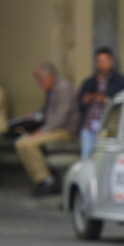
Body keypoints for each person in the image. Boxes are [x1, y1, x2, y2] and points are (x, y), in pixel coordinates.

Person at [15, 63, 80, 196]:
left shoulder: (64, 87)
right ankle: (40, 179)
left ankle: (47, 180)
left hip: (65, 130)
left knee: (28, 143)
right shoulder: (52, 89)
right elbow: (48, 111)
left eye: (40, 79)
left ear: (50, 77)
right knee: (20, 143)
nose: (38, 84)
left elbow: (61, 116)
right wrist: (34, 115)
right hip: (53, 128)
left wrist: (42, 131)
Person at [77, 47, 124, 158]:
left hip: (108, 127)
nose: (101, 65)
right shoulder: (89, 82)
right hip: (89, 126)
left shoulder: (120, 81)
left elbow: (123, 102)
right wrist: (85, 101)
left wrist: (105, 99)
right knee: (86, 156)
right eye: (99, 62)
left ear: (111, 62)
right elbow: (79, 104)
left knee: (103, 157)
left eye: (104, 62)